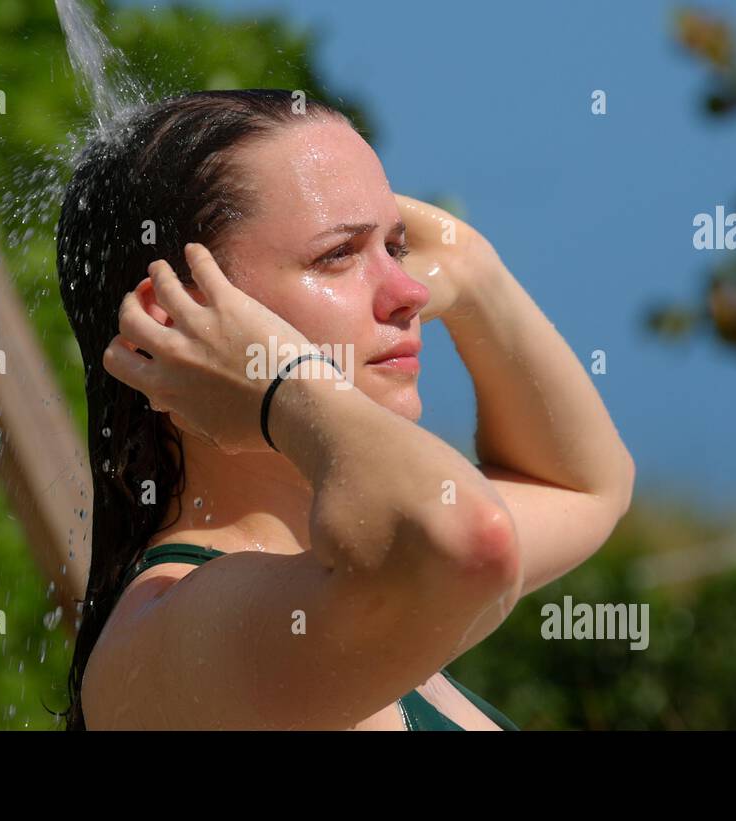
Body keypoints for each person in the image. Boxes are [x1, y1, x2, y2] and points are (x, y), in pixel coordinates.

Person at [56, 89, 634, 730]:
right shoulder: (177, 633)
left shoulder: (347, 582)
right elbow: (468, 542)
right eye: (337, 255)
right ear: (175, 321)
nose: (411, 293)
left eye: (397, 247)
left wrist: (474, 272)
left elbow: (582, 486)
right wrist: (282, 386)